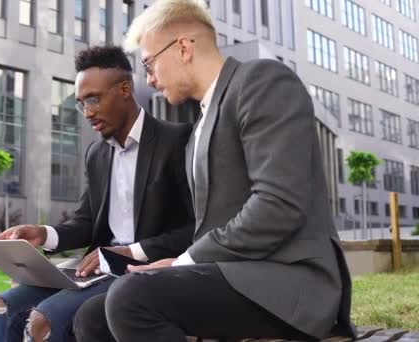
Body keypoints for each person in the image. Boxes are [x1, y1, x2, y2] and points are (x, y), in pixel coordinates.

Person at [73, 1, 356, 341]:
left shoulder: (262, 81)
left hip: (290, 285)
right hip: (233, 275)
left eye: (149, 63)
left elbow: (277, 206)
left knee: (129, 298)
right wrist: (179, 263)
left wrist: (183, 263)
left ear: (182, 48)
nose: (149, 78)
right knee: (92, 315)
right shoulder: (198, 131)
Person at [0, 45, 194, 342]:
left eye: (93, 99)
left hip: (146, 270)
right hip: (95, 270)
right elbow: (85, 222)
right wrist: (43, 234)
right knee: (0, 307)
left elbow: (196, 228)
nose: (87, 112)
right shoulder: (96, 154)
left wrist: (130, 251)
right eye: (81, 103)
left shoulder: (177, 140)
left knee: (44, 319)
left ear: (124, 89)